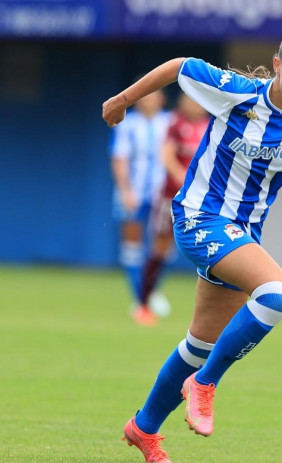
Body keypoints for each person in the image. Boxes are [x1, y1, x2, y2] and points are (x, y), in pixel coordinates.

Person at [102, 29, 282, 463]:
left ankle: (143, 428)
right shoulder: (236, 92)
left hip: (242, 234)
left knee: (198, 345)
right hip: (200, 218)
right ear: (277, 66)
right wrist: (123, 100)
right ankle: (205, 383)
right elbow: (179, 65)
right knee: (278, 295)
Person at [140, 93, 212, 319]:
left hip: (201, 200)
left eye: (200, 101)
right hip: (171, 197)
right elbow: (167, 156)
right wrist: (184, 178)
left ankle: (213, 307)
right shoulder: (175, 124)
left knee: (210, 249)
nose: (196, 105)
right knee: (161, 246)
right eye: (192, 100)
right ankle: (143, 301)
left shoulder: (209, 125)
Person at [109, 87, 171, 326]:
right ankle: (139, 299)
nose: (150, 101)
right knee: (132, 247)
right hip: (132, 193)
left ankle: (150, 291)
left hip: (162, 194)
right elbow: (119, 158)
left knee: (161, 246)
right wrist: (125, 190)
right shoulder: (127, 124)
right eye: (145, 97)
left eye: (154, 96)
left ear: (161, 98)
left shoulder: (169, 122)